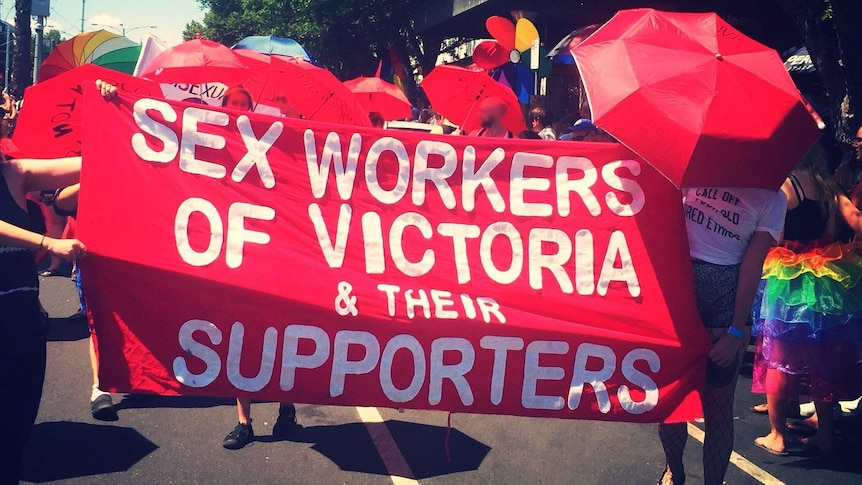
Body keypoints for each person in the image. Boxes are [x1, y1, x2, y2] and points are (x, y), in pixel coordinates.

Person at [0, 79, 115, 482]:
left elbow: (98, 161)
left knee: (15, 428)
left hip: (24, 322)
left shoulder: (16, 172)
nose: (2, 111)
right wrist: (49, 242)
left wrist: (113, 111)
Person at [658, 186, 786, 485]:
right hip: (679, 294)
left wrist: (736, 330)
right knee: (671, 400)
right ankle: (674, 470)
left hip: (725, 304)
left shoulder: (772, 195)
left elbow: (752, 266)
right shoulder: (697, 174)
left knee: (718, 405)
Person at [751, 142, 862, 457]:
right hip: (824, 277)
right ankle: (825, 436)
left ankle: (777, 435)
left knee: (777, 355)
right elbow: (854, 220)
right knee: (821, 359)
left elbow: (776, 232)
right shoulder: (829, 186)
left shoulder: (787, 186)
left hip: (789, 278)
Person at [219, 86, 299, 449]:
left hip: (279, 256)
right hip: (238, 256)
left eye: (243, 105)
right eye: (231, 105)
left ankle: (287, 412)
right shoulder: (213, 143)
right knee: (242, 341)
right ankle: (243, 422)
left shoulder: (276, 146)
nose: (237, 110)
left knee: (285, 340)